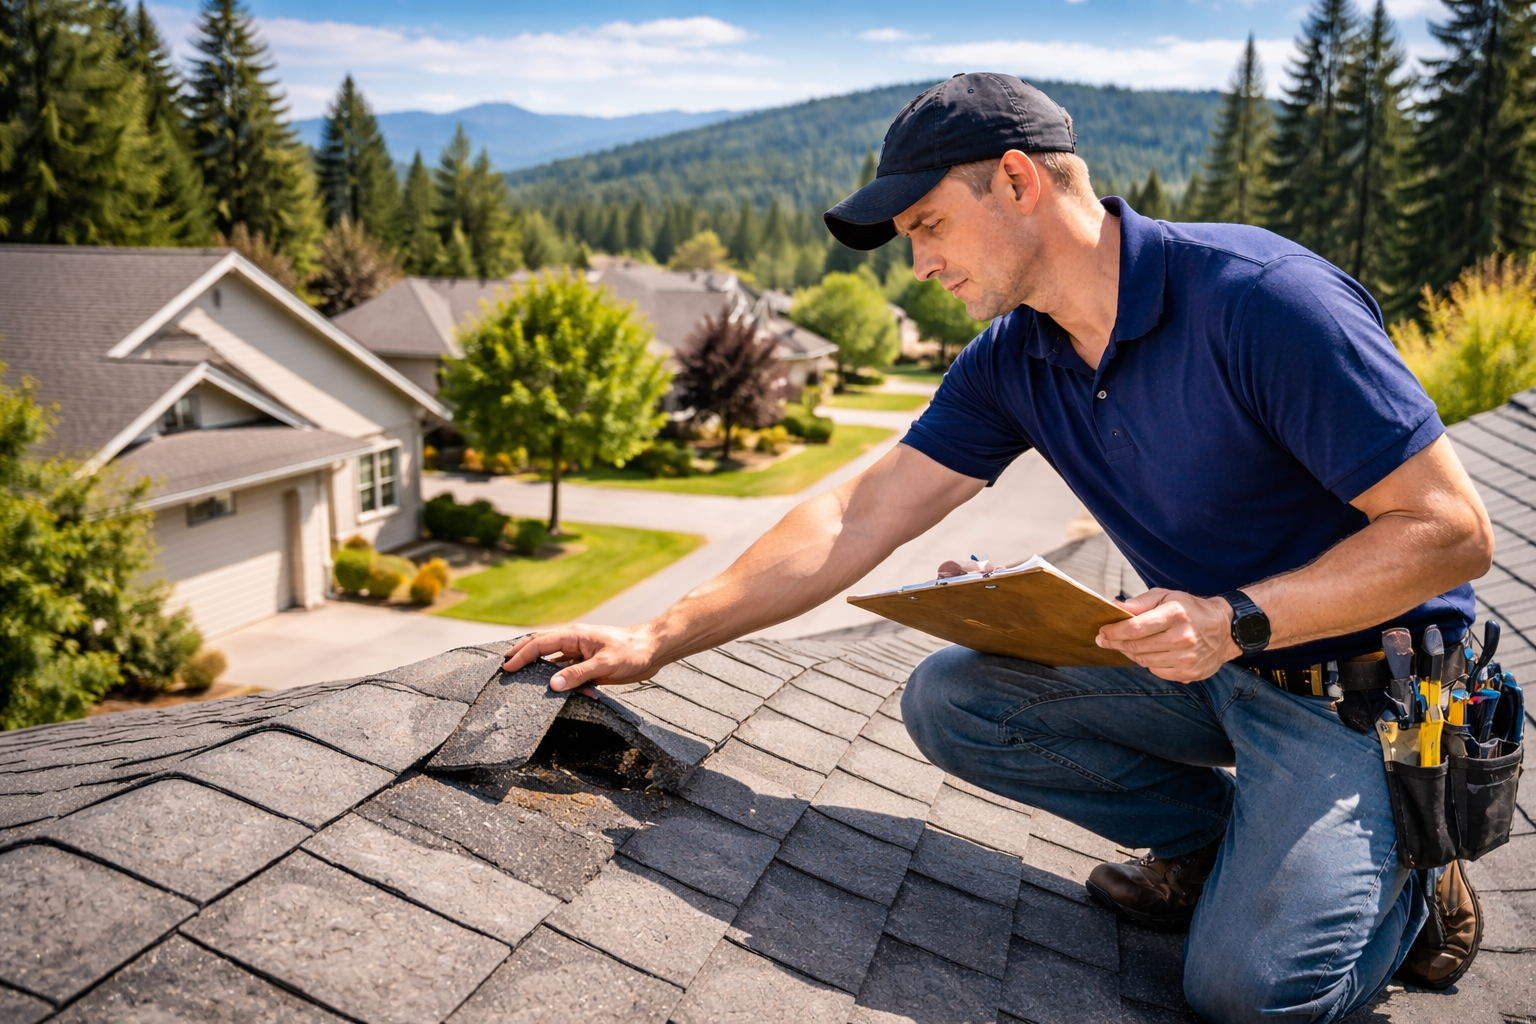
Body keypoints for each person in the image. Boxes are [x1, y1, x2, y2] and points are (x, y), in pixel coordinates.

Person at [504, 73, 1494, 1021]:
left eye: (928, 225)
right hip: (1202, 665)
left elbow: (1452, 532)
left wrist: (1234, 619)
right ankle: (1221, 849)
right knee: (954, 699)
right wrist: (658, 638)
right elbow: (858, 513)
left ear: (1018, 181)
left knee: (1252, 994)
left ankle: (1417, 858)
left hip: (1362, 693)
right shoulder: (1016, 357)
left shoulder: (1264, 300)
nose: (919, 265)